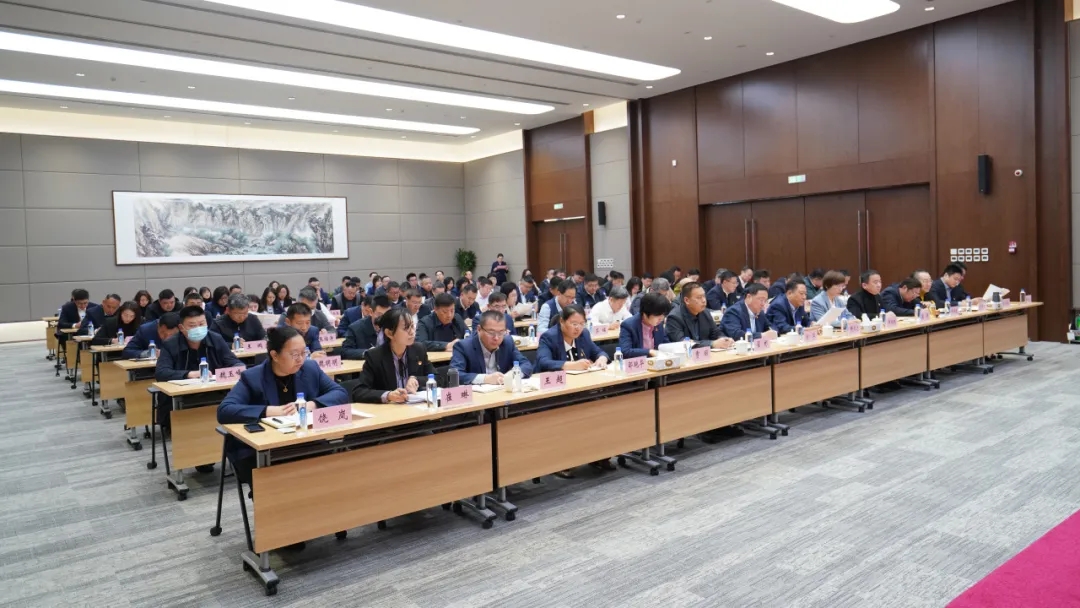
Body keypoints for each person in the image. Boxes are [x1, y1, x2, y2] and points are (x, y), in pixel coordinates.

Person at [217, 325, 348, 485]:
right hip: (264, 448)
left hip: (305, 440)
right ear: (275, 355)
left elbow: (340, 393)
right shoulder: (253, 377)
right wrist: (270, 411)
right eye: (294, 354)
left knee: (332, 467)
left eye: (304, 353)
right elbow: (225, 410)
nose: (300, 359)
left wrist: (310, 405)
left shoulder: (310, 368)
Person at [155, 305, 242, 436]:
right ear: (181, 328)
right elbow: (161, 373)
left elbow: (234, 362)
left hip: (215, 393)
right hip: (183, 398)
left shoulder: (216, 339)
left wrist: (238, 368)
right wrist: (189, 374)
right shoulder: (170, 344)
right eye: (192, 325)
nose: (198, 329)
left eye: (202, 324)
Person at [350, 308, 436, 403]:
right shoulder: (375, 356)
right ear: (389, 333)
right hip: (389, 410)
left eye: (412, 326)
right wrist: (388, 395)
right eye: (406, 328)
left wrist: (417, 379)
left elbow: (438, 377)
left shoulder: (418, 350)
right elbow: (359, 392)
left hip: (415, 407)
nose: (412, 332)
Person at [450, 310, 533, 384]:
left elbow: (526, 365)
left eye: (501, 332)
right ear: (479, 329)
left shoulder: (507, 342)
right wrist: (486, 379)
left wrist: (512, 374)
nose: (496, 338)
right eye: (491, 333)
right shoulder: (464, 346)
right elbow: (455, 375)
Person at [536, 305, 608, 372]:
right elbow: (543, 362)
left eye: (582, 324)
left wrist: (602, 358)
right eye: (574, 324)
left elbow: (599, 352)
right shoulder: (549, 337)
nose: (578, 328)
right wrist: (573, 365)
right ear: (562, 321)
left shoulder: (584, 334)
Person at [665, 282, 735, 349]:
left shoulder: (705, 312)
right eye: (699, 297)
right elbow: (682, 343)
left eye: (704, 296)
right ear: (687, 300)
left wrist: (724, 339)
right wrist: (712, 344)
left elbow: (716, 333)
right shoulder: (674, 317)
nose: (704, 300)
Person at [618, 292, 672, 358]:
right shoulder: (628, 325)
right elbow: (625, 351)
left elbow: (666, 344)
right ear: (645, 314)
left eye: (663, 315)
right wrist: (649, 352)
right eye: (658, 315)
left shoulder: (658, 324)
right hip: (639, 362)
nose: (661, 319)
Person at [340, 295, 392, 360]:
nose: (383, 318)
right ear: (371, 312)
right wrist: (367, 353)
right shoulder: (355, 328)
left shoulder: (393, 327)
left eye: (387, 315)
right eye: (379, 314)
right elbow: (345, 351)